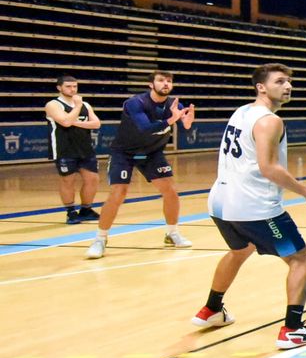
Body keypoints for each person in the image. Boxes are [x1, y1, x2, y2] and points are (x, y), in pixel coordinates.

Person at [191, 64, 306, 350]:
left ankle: (211, 310)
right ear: (261, 87)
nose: (288, 86)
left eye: (290, 81)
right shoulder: (270, 121)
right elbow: (269, 168)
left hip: (220, 202)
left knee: (239, 250)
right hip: (254, 206)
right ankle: (292, 329)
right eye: (280, 81)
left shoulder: (241, 112)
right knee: (299, 259)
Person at [86, 70, 195, 259]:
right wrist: (171, 119)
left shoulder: (174, 105)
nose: (166, 84)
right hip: (124, 152)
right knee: (118, 193)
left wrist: (186, 125)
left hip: (152, 152)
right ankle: (100, 239)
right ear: (151, 85)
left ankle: (172, 233)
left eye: (169, 81)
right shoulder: (135, 103)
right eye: (161, 80)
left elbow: (180, 130)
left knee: (170, 191)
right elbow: (145, 128)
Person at [44, 75, 102, 225]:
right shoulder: (53, 104)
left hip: (85, 147)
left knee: (93, 179)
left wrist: (74, 121)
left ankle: (86, 209)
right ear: (59, 88)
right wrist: (76, 108)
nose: (72, 89)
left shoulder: (86, 105)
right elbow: (65, 122)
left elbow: (96, 124)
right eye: (68, 86)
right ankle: (71, 212)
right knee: (68, 180)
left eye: (75, 86)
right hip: (64, 148)